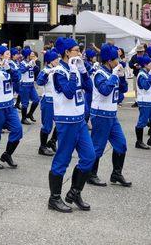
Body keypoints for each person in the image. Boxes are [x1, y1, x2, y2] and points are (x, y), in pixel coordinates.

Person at [47, 37, 95, 213]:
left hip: (79, 120)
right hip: (66, 121)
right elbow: (67, 92)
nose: (80, 53)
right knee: (62, 160)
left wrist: (82, 71)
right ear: (67, 52)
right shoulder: (58, 71)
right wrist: (74, 72)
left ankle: (75, 192)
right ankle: (54, 198)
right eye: (76, 50)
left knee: (89, 156)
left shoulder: (77, 68)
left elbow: (89, 88)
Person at [87, 44, 130, 187]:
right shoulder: (100, 73)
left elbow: (123, 90)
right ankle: (91, 174)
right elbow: (104, 90)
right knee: (98, 146)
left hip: (112, 115)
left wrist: (122, 77)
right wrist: (114, 75)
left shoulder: (114, 72)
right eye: (116, 59)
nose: (118, 61)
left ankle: (116, 173)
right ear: (109, 60)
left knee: (121, 144)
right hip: (100, 114)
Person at [0, 45, 23, 169]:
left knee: (18, 130)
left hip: (10, 105)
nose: (9, 56)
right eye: (7, 54)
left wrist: (9, 69)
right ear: (1, 56)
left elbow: (17, 80)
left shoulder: (11, 66)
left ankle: (7, 154)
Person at [134, 54, 151, 149]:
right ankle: (139, 142)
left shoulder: (150, 72)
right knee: (142, 122)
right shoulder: (141, 75)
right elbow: (145, 86)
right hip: (144, 102)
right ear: (145, 65)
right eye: (150, 63)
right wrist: (150, 75)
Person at [36, 50, 60, 156]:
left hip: (58, 101)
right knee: (47, 126)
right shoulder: (45, 70)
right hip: (48, 101)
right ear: (50, 60)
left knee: (60, 123)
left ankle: (53, 141)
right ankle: (42, 147)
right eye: (55, 59)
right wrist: (46, 74)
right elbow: (40, 82)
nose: (58, 60)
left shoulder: (58, 69)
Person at [19, 48, 40, 125]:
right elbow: (22, 70)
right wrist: (29, 65)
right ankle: (23, 118)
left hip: (31, 84)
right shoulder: (22, 63)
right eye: (31, 55)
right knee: (25, 103)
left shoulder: (31, 61)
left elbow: (36, 71)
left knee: (36, 100)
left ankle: (30, 113)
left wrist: (35, 65)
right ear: (27, 55)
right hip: (24, 85)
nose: (32, 56)